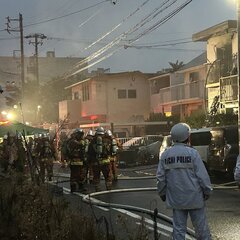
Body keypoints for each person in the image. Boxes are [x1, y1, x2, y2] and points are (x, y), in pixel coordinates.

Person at [156, 123, 212, 240]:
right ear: (187, 137)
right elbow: (202, 176)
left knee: (178, 230)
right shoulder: (193, 153)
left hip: (176, 199)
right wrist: (207, 191)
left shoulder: (165, 155)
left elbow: (160, 178)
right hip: (195, 197)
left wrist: (162, 193)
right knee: (201, 229)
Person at [66, 128, 87, 193]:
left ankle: (80, 187)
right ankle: (73, 188)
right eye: (79, 134)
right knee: (74, 175)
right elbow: (79, 145)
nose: (81, 136)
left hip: (81, 161)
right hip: (74, 161)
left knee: (81, 175)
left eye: (81, 135)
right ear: (75, 134)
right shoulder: (72, 141)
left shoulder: (80, 141)